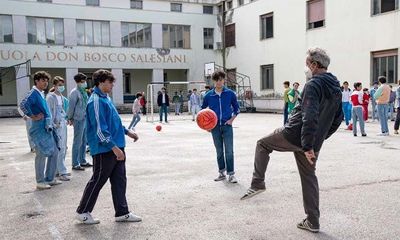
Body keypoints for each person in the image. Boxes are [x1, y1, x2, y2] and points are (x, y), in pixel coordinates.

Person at [241, 48, 343, 233]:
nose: (306, 68)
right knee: (309, 177)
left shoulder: (313, 85)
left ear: (314, 64)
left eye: (307, 64)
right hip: (311, 141)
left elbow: (309, 115)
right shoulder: (336, 87)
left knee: (262, 144)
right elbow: (338, 119)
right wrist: (318, 140)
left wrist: (307, 144)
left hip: (295, 135)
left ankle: (257, 183)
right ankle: (313, 221)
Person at [76, 69, 141, 224]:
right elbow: (100, 129)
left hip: (117, 145)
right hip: (104, 149)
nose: (112, 85)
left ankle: (122, 212)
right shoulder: (96, 101)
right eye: (110, 82)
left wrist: (127, 132)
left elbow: (114, 122)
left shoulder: (106, 98)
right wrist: (114, 148)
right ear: (101, 82)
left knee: (119, 180)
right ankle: (83, 211)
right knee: (98, 180)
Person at [19, 71, 61, 190]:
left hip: (47, 127)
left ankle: (50, 178)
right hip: (38, 128)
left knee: (54, 151)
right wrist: (32, 116)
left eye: (47, 81)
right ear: (37, 81)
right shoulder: (33, 93)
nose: (46, 83)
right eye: (43, 80)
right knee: (41, 154)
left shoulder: (41, 93)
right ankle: (40, 181)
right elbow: (23, 105)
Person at [201, 70, 240, 183]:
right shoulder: (208, 95)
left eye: (221, 80)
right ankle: (221, 173)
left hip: (227, 126)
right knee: (219, 151)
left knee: (229, 151)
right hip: (215, 128)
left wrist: (231, 120)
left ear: (224, 80)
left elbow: (237, 109)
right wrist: (206, 126)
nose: (219, 82)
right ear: (214, 81)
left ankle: (231, 174)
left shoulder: (230, 93)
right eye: (217, 80)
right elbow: (203, 111)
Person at [46, 76, 71, 181]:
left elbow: (63, 111)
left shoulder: (62, 97)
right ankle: (62, 172)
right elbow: (49, 112)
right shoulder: (50, 97)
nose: (61, 87)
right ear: (54, 85)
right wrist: (52, 124)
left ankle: (58, 170)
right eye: (59, 85)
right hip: (56, 125)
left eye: (62, 85)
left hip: (62, 124)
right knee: (59, 147)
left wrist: (67, 118)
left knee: (63, 147)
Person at [67, 72, 92, 171]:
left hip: (85, 118)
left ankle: (82, 160)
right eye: (82, 81)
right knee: (77, 141)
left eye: (85, 81)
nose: (84, 83)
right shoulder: (74, 92)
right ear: (77, 82)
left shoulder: (84, 91)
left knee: (84, 140)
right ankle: (75, 163)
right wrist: (70, 118)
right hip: (78, 119)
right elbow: (71, 106)